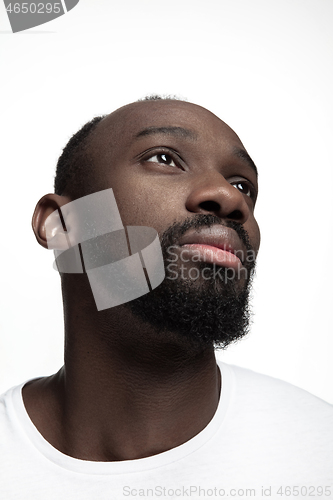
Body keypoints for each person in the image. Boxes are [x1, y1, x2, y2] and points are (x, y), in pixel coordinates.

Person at [1, 96, 332, 499]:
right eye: (165, 158)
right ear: (62, 226)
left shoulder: (320, 454)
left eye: (243, 185)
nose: (229, 197)